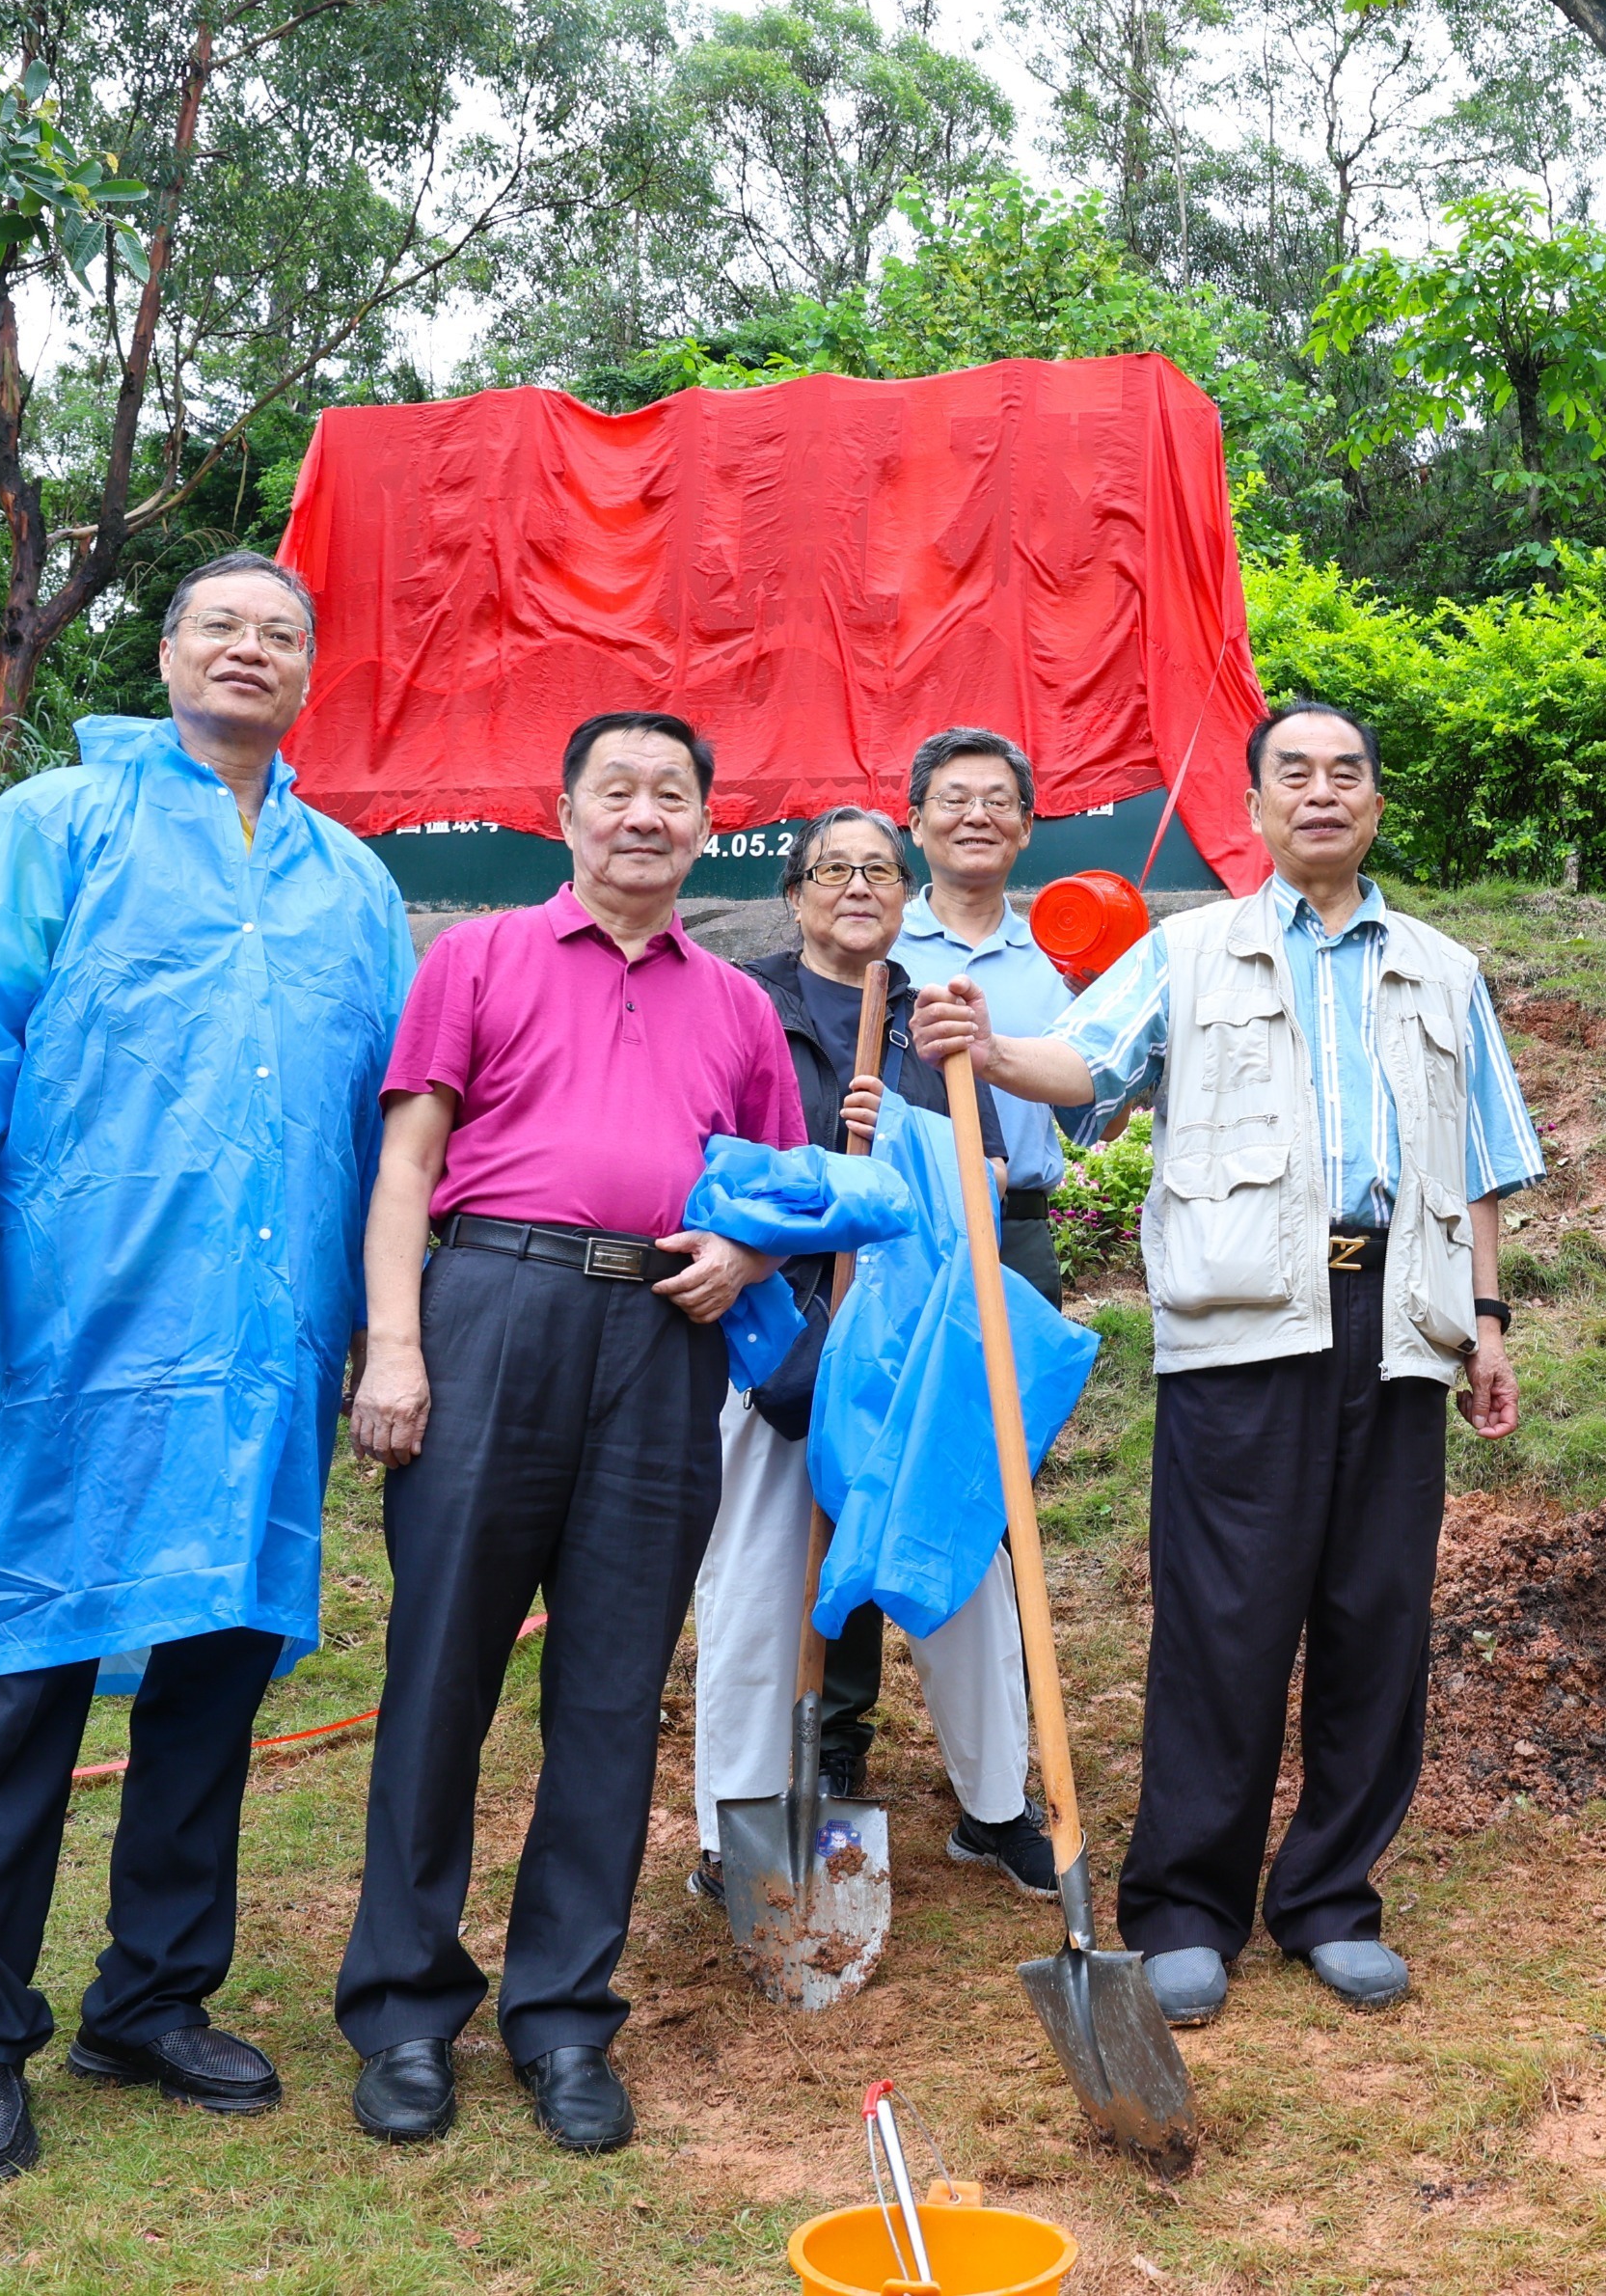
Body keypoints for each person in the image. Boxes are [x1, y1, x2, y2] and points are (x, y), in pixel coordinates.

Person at [0, 550, 411, 2182]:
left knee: (216, 1672)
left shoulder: (351, 883)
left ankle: (152, 1996)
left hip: (275, 1343)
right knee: (29, 1669)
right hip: (95, 1323)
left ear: (309, 675)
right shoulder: (57, 823)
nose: (250, 649)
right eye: (221, 625)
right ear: (168, 652)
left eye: (282, 633)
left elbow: (407, 1116)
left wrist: (405, 1314)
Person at [911, 701, 1539, 2027]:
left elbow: (1482, 1162)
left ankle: (1330, 1898)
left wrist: (1488, 1322)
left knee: (1377, 1617)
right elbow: (1082, 1063)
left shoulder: (1442, 968)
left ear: (1376, 805)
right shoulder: (1189, 950)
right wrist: (985, 1045)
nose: (1321, 792)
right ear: (1252, 809)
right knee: (1223, 1618)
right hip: (1243, 1323)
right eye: (1293, 774)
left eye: (1346, 774)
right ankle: (1188, 1906)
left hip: (1401, 1325)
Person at [335, 714, 802, 2155]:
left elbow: (780, 1189)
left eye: (674, 794)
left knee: (609, 1695)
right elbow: (408, 1159)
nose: (645, 814)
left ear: (709, 826)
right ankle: (408, 2010)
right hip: (492, 1316)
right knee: (441, 1673)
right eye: (620, 790)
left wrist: (746, 1255)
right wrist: (398, 1345)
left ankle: (561, 2016)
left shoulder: (735, 1001)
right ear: (568, 812)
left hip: (662, 1337)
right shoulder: (474, 957)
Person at [687, 803, 1052, 1906]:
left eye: (879, 870)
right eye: (832, 868)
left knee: (962, 1566)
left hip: (916, 1341)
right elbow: (711, 1160)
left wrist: (900, 1136)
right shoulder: (740, 999)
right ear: (794, 891)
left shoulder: (933, 1016)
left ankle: (996, 1808)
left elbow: (984, 1177)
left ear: (907, 896)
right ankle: (735, 1831)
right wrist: (829, 1175)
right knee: (756, 1583)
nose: (857, 885)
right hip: (784, 1336)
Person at [794, 725, 1106, 1805]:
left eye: (999, 799)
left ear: (1027, 822)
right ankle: (834, 1732)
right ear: (915, 818)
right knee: (849, 1463)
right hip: (881, 1231)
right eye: (952, 798)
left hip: (1007, 1228)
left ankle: (999, 1768)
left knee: (978, 1471)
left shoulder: (1061, 962)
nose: (975, 815)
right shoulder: (873, 934)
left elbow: (1104, 1107)